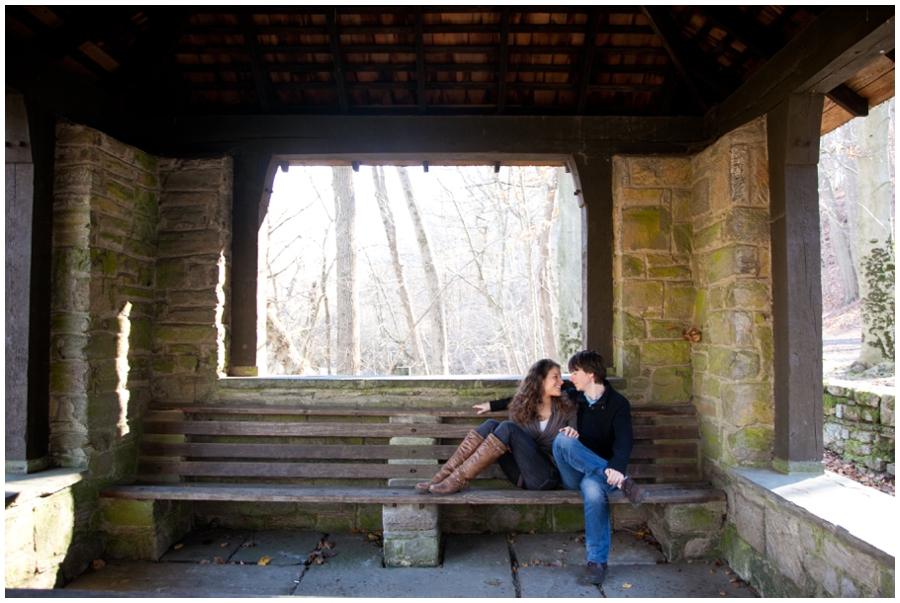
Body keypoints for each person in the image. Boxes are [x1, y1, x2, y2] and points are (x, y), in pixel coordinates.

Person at [552, 350, 646, 585]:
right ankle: (624, 482)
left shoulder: (618, 404)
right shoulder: (571, 397)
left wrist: (615, 466)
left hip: (598, 477)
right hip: (573, 472)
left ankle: (597, 563)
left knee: (594, 491)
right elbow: (534, 395)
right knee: (563, 440)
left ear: (591, 374)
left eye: (575, 372)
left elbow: (624, 441)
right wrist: (494, 404)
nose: (569, 377)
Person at [416, 358, 577, 495]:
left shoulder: (567, 408)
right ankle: (442, 476)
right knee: (491, 424)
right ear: (539, 381)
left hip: (546, 477)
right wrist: (493, 407)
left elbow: (574, 443)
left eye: (560, 377)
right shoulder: (520, 408)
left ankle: (458, 479)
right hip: (519, 475)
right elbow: (512, 443)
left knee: (507, 427)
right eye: (555, 377)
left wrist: (572, 434)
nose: (561, 382)